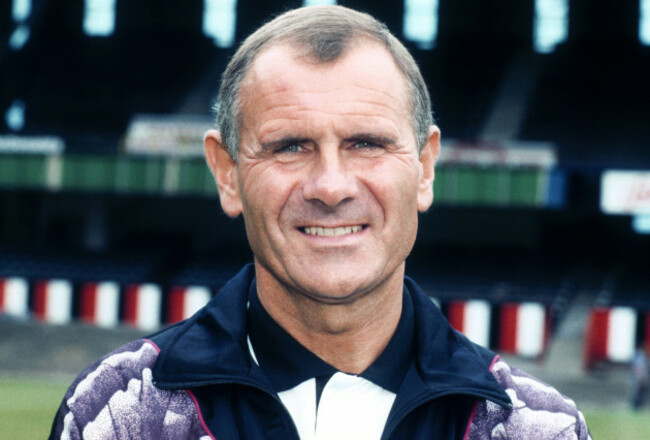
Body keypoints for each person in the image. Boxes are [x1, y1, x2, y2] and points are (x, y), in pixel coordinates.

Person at [50, 5, 592, 439]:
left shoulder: (534, 429)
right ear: (228, 174)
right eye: (290, 147)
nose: (331, 186)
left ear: (424, 168)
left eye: (366, 143)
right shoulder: (120, 416)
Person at [631, 343, 649, 410]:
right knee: (637, 392)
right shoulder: (639, 357)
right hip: (639, 378)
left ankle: (638, 406)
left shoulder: (640, 357)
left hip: (640, 377)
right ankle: (636, 406)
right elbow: (637, 368)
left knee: (640, 392)